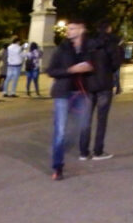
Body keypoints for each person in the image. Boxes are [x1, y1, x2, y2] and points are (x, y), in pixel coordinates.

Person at [46, 18, 94, 180]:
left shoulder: (87, 48)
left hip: (81, 93)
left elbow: (95, 65)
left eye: (73, 28)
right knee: (60, 130)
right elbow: (51, 70)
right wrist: (71, 70)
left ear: (81, 29)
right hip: (63, 93)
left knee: (83, 126)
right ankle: (57, 166)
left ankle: (61, 148)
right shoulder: (62, 49)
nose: (69, 31)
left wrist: (90, 67)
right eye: (68, 29)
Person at [81, 20, 121, 161]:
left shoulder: (88, 44)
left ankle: (83, 152)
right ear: (108, 29)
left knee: (86, 119)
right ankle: (98, 151)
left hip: (89, 84)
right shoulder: (110, 45)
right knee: (101, 119)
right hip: (104, 84)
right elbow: (116, 64)